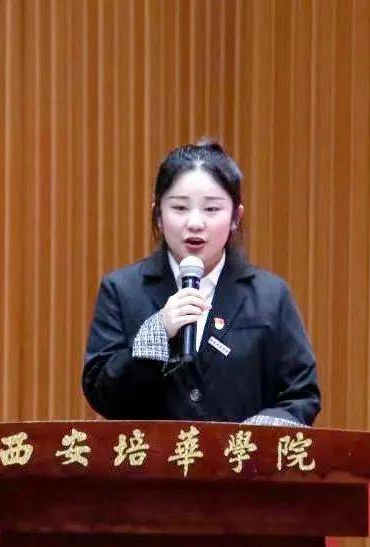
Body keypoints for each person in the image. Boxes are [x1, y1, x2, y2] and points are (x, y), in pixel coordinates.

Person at [82, 140, 321, 426]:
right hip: (151, 456)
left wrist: (258, 434)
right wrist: (158, 333)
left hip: (240, 455)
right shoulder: (122, 290)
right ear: (158, 215)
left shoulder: (270, 296)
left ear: (235, 217)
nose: (195, 223)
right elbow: (101, 392)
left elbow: (301, 396)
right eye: (180, 208)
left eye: (211, 209)